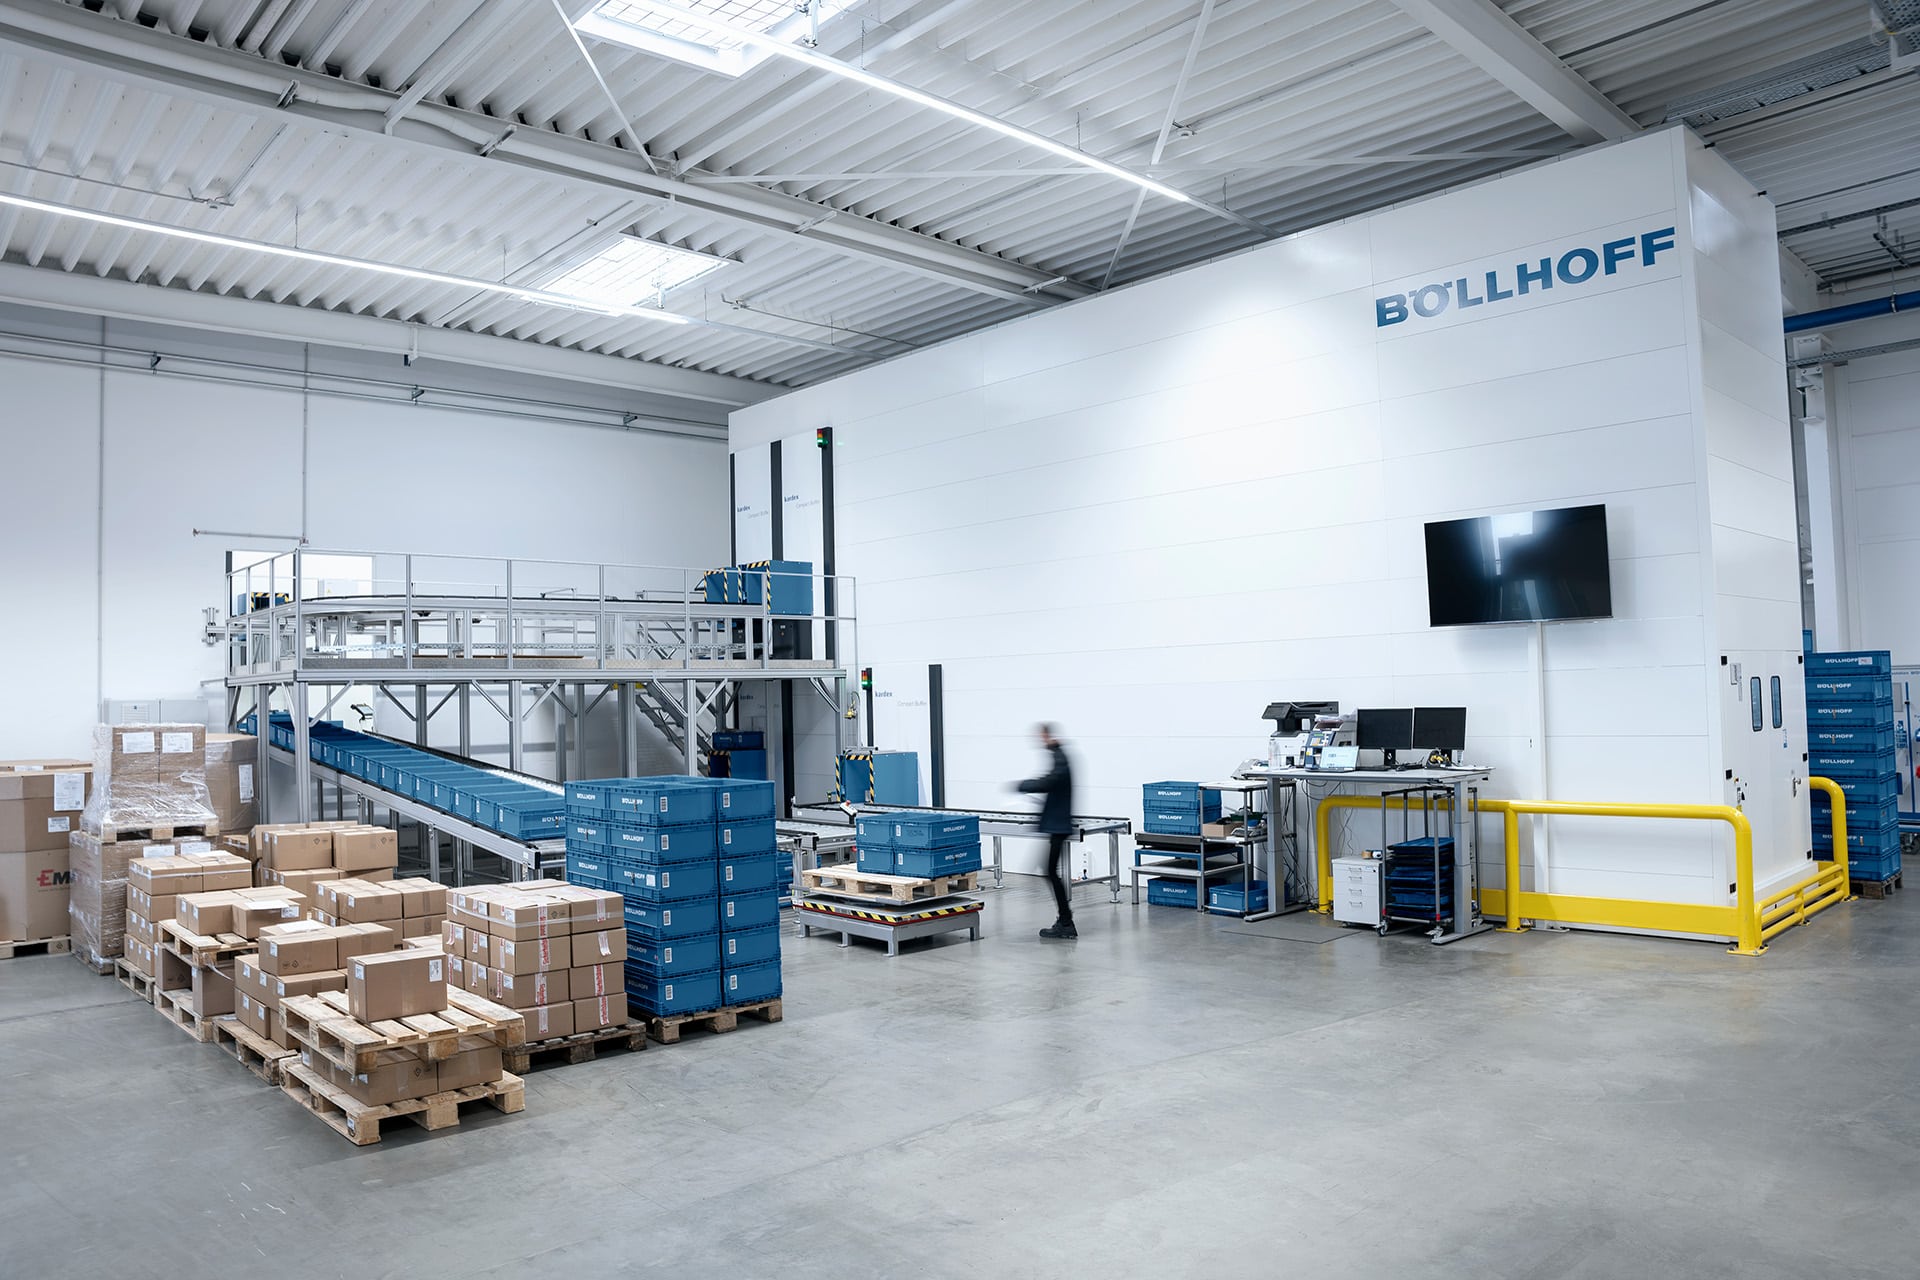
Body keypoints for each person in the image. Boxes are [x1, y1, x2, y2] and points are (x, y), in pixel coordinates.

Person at [1015, 723, 1076, 939]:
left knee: (1049, 870)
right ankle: (1065, 920)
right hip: (1057, 823)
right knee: (1049, 870)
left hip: (1059, 825)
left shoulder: (1060, 757)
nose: (1040, 741)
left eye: (1042, 737)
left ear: (1049, 736)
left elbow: (1051, 780)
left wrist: (1025, 785)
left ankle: (1066, 922)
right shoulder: (1059, 755)